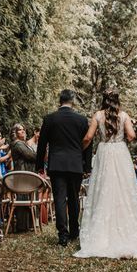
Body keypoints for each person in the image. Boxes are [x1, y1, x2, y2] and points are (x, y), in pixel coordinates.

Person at [74, 90, 137, 259]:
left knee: (103, 189)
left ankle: (100, 235)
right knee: (124, 191)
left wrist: (79, 149)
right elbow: (132, 136)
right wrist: (123, 133)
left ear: (103, 100)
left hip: (104, 152)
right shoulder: (124, 115)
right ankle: (126, 232)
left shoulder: (98, 115)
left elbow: (89, 137)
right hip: (120, 153)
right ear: (117, 101)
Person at [36, 90, 92, 247]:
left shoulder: (50, 119)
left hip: (57, 165)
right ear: (72, 101)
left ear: (59, 101)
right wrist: (87, 166)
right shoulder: (82, 120)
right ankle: (75, 231)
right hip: (75, 165)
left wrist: (40, 165)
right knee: (74, 198)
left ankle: (63, 236)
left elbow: (42, 144)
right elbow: (88, 144)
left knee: (60, 199)